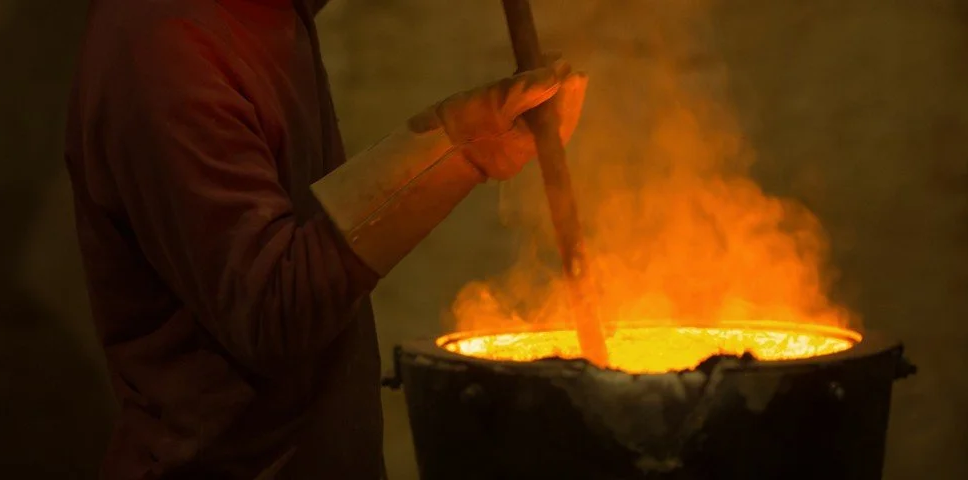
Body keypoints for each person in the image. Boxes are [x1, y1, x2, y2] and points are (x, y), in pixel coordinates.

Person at [65, 1, 588, 478]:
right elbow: (273, 302)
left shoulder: (265, 13)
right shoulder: (165, 46)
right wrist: (460, 145)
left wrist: (471, 139)